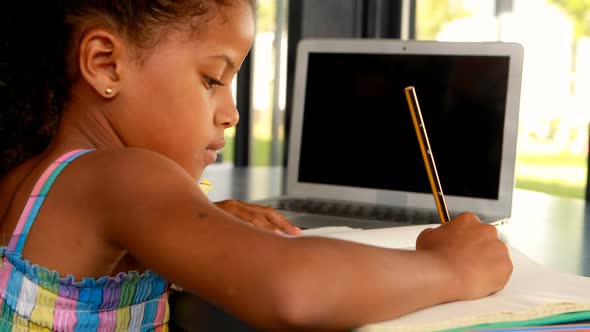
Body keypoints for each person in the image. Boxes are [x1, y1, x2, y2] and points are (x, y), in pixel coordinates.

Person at [0, 1, 512, 331]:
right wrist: (451, 268)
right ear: (105, 64)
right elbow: (294, 291)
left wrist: (203, 221)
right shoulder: (124, 175)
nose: (233, 113)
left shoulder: (32, 173)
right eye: (212, 79)